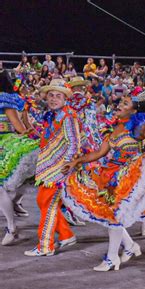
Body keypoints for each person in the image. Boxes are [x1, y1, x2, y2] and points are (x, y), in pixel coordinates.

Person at [61, 94, 145, 271]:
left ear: (134, 110)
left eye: (125, 103)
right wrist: (77, 161)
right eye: (120, 101)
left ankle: (112, 258)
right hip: (110, 175)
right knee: (111, 215)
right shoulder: (114, 130)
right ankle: (129, 246)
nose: (119, 104)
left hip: (129, 176)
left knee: (115, 216)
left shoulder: (138, 127)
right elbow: (98, 154)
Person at [24, 79, 81, 256]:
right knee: (43, 201)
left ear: (65, 99)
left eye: (58, 96)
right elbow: (31, 114)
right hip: (47, 167)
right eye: (50, 95)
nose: (53, 99)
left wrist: (67, 165)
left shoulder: (68, 116)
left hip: (59, 169)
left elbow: (74, 143)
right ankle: (66, 235)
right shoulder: (51, 115)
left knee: (47, 204)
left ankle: (45, 246)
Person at [0, 70, 40, 245]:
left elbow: (18, 125)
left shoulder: (6, 101)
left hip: (6, 145)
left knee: (2, 189)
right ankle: (12, 218)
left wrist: (28, 133)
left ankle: (11, 227)